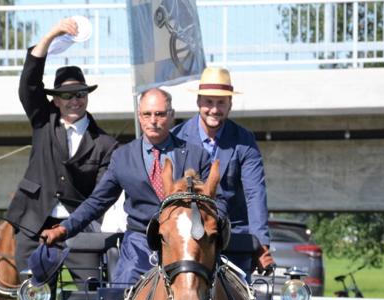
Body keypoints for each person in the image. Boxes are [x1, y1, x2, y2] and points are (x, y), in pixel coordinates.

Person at [6, 17, 119, 300]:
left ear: (88, 97)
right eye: (67, 96)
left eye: (81, 95)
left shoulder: (105, 144)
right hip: (32, 226)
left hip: (77, 233)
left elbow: (102, 195)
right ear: (55, 99)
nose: (74, 101)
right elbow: (28, 81)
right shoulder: (43, 121)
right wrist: (53, 34)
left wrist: (71, 226)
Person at [39, 87, 216, 285]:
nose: (153, 121)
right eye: (147, 114)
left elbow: (216, 204)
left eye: (159, 114)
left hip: (186, 246)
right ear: (139, 116)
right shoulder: (122, 157)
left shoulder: (196, 155)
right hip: (139, 245)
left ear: (171, 115)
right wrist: (63, 229)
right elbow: (97, 202)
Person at [172, 67, 273, 275]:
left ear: (230, 105)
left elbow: (255, 194)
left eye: (221, 103)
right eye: (209, 102)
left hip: (232, 235)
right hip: (188, 235)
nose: (214, 109)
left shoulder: (245, 140)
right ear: (198, 101)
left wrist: (261, 243)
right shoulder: (177, 138)